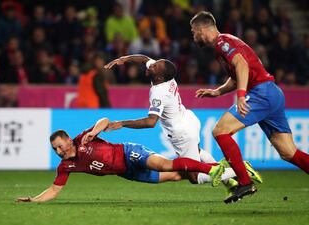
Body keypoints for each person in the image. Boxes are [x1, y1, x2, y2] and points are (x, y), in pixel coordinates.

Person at [190, 11, 309, 204]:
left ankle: (245, 182)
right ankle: (245, 181)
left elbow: (242, 66)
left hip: (261, 93)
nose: (193, 36)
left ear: (202, 30)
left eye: (194, 32)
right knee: (289, 152)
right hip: (271, 93)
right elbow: (237, 73)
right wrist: (218, 92)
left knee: (220, 131)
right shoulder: (224, 44)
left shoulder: (222, 42)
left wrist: (241, 95)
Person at [103, 54, 262, 196]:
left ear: (160, 76)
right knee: (198, 153)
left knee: (195, 177)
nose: (151, 65)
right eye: (154, 63)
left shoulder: (159, 92)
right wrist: (124, 59)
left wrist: (122, 123)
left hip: (182, 132)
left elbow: (151, 122)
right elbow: (145, 59)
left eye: (155, 66)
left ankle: (240, 170)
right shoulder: (164, 76)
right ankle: (230, 183)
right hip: (188, 119)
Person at [16, 117, 234, 203]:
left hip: (129, 153)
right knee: (179, 175)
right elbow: (54, 190)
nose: (58, 151)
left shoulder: (83, 138)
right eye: (55, 149)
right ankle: (204, 157)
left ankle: (224, 169)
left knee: (165, 164)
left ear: (67, 140)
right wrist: (34, 200)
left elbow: (104, 120)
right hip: (126, 172)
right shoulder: (65, 166)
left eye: (60, 146)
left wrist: (94, 131)